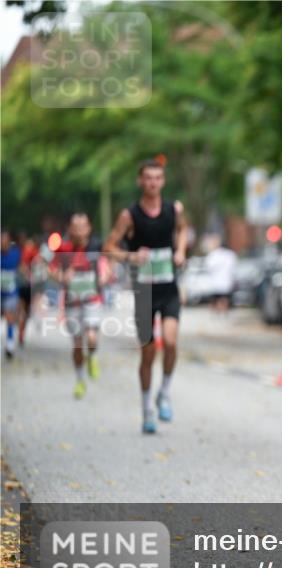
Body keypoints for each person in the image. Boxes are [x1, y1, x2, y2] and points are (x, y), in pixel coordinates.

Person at [104, 158, 188, 433]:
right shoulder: (130, 215)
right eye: (148, 178)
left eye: (157, 177)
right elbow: (109, 247)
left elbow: (183, 229)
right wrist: (131, 256)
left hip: (169, 288)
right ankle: (146, 409)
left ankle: (164, 392)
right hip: (145, 292)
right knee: (148, 353)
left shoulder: (173, 209)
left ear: (163, 181)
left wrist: (180, 252)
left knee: (172, 343)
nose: (153, 182)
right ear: (141, 181)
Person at [51, 213, 106, 398]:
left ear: (89, 228)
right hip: (72, 302)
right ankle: (80, 380)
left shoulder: (96, 246)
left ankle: (92, 356)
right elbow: (51, 269)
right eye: (75, 226)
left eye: (83, 226)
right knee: (76, 345)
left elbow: (108, 265)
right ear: (69, 229)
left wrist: (105, 275)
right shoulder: (63, 249)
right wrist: (61, 277)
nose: (79, 230)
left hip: (92, 300)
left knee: (91, 337)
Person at [203, 235, 237, 315]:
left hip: (216, 282)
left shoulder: (214, 254)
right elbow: (233, 268)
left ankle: (218, 312)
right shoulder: (230, 255)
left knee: (217, 298)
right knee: (223, 298)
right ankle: (223, 312)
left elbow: (208, 267)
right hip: (225, 281)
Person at [1, 231, 21, 358]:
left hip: (11, 292)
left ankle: (9, 343)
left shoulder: (16, 254)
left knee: (9, 316)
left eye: (4, 240)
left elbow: (22, 266)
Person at [16, 233, 39, 346]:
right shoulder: (21, 252)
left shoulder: (35, 252)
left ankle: (21, 331)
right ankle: (20, 331)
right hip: (22, 285)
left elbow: (39, 265)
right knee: (22, 310)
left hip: (30, 287)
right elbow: (21, 266)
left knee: (26, 312)